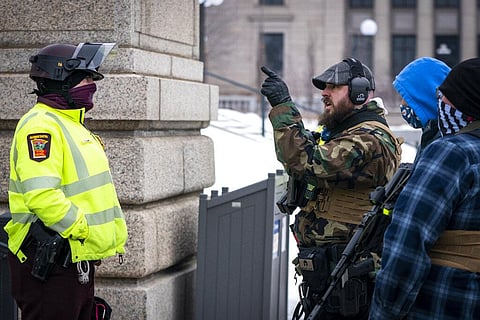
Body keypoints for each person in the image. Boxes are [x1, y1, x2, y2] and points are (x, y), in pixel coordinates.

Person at [261, 58, 402, 319]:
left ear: (359, 92)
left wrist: (282, 107)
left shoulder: (370, 138)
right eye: (325, 87)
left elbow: (306, 161)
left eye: (334, 87)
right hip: (330, 273)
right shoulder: (344, 132)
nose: (324, 93)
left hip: (350, 277)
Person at [4, 42, 128, 320]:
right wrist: (83, 230)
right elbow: (41, 195)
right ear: (62, 81)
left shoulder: (71, 124)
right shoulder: (41, 126)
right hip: (51, 258)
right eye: (85, 78)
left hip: (73, 256)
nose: (92, 84)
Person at [369, 58, 480, 319]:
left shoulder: (450, 152)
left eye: (446, 97)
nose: (441, 104)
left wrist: (384, 311)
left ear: (466, 103)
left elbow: (408, 245)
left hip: (446, 301)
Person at [393, 57, 450, 154]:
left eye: (408, 98)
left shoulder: (443, 146)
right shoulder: (433, 134)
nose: (402, 104)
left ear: (426, 97)